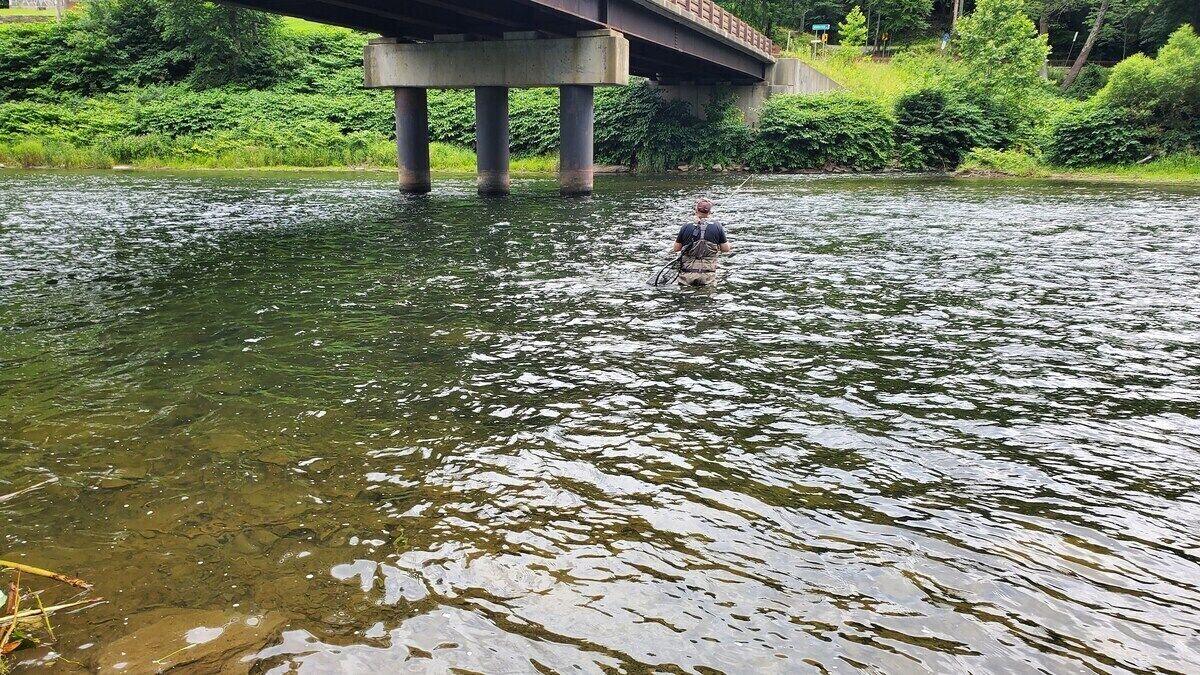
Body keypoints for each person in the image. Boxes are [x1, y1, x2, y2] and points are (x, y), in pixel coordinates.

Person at [672, 198, 731, 286]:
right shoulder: (717, 226)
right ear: (710, 212)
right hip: (707, 276)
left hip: (687, 276)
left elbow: (676, 249)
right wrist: (729, 244)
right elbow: (726, 249)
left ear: (696, 210)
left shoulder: (686, 226)